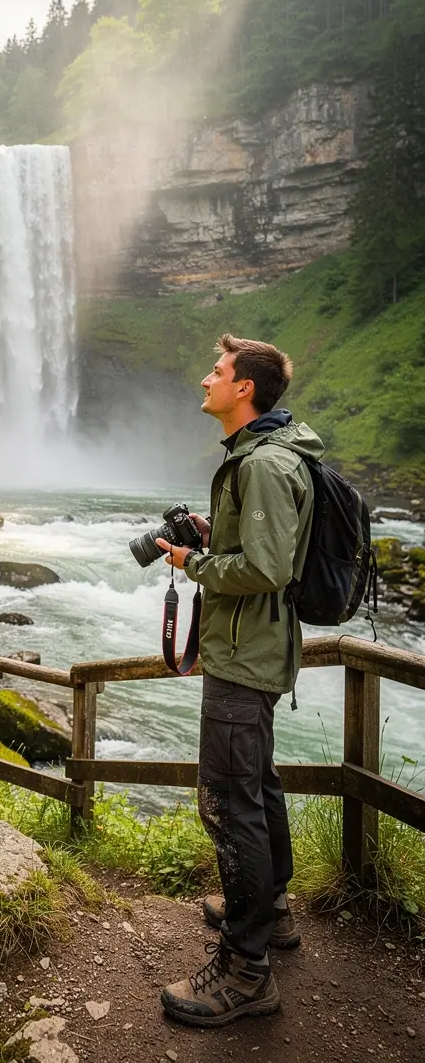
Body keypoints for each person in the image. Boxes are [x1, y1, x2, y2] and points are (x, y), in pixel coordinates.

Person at [158, 333, 323, 1027]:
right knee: (259, 786)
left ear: (244, 388)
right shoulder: (266, 458)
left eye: (216, 372)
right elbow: (259, 552)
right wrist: (209, 535)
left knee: (229, 804)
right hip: (255, 651)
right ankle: (272, 911)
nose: (205, 379)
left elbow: (266, 569)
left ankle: (246, 971)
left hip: (242, 656)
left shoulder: (260, 467)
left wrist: (190, 566)